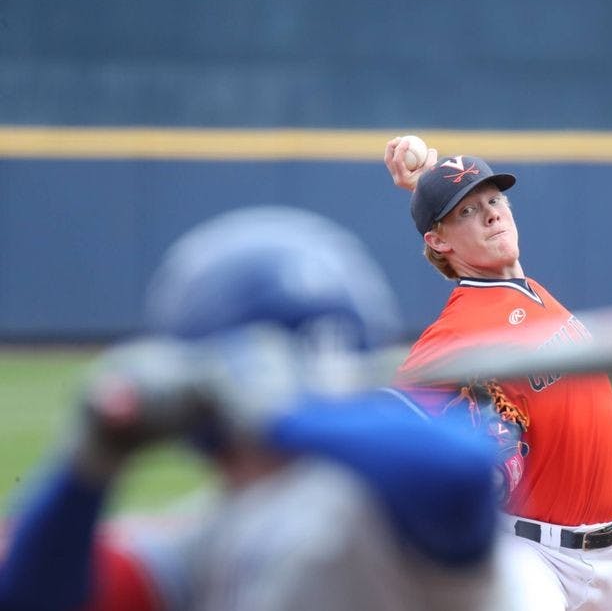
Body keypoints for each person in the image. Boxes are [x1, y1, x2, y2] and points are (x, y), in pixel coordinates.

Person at [0, 205, 523, 611]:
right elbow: (31, 596)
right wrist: (89, 466)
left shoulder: (392, 516)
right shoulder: (214, 534)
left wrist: (280, 412)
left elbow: (459, 469)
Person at [384, 138, 612, 610]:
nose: (492, 214)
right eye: (468, 212)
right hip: (530, 557)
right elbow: (388, 415)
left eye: (494, 200)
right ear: (438, 241)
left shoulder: (524, 289)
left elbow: (459, 214)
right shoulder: (459, 329)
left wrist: (430, 188)